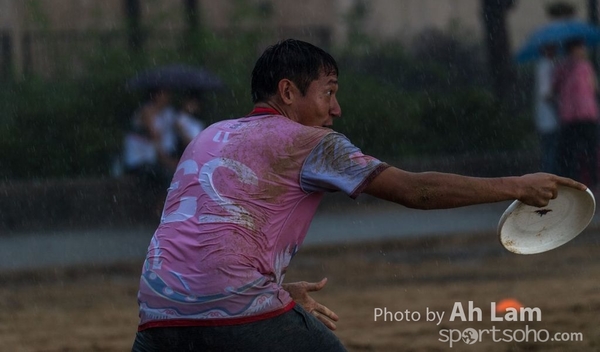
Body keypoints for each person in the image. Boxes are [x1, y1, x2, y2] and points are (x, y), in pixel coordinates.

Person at [131, 39, 585, 352]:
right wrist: (518, 186)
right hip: (235, 309)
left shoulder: (209, 134)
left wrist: (273, 292)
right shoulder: (308, 141)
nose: (336, 108)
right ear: (288, 92)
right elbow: (416, 190)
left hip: (157, 312)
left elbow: (198, 242)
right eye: (328, 93)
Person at [552, 38, 600, 189]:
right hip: (584, 114)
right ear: (574, 49)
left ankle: (576, 180)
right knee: (588, 148)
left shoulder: (561, 67)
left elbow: (555, 89)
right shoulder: (584, 66)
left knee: (572, 150)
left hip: (571, 115)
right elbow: (594, 87)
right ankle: (592, 180)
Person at [122, 87, 179, 189]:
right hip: (138, 161)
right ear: (156, 95)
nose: (168, 98)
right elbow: (155, 139)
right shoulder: (146, 111)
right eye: (165, 94)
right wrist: (169, 162)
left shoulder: (166, 113)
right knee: (166, 176)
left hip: (151, 161)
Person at [534, 43, 559, 173]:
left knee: (550, 151)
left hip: (548, 118)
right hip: (548, 118)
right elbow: (545, 93)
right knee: (550, 152)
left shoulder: (547, 65)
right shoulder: (545, 66)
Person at [175, 91, 206, 155]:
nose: (192, 106)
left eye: (195, 104)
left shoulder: (197, 123)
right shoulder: (176, 117)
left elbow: (197, 143)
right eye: (191, 103)